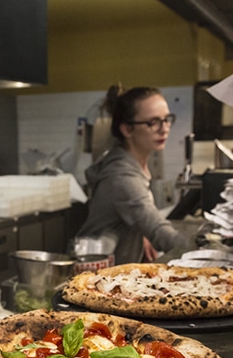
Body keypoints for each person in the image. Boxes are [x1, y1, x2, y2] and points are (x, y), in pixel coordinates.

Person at [76, 86, 186, 265]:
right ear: (127, 130)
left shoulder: (134, 162)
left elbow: (131, 214)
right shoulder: (122, 176)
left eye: (167, 119)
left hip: (115, 270)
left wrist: (140, 234)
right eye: (153, 122)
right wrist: (196, 253)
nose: (164, 128)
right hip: (95, 274)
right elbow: (157, 229)